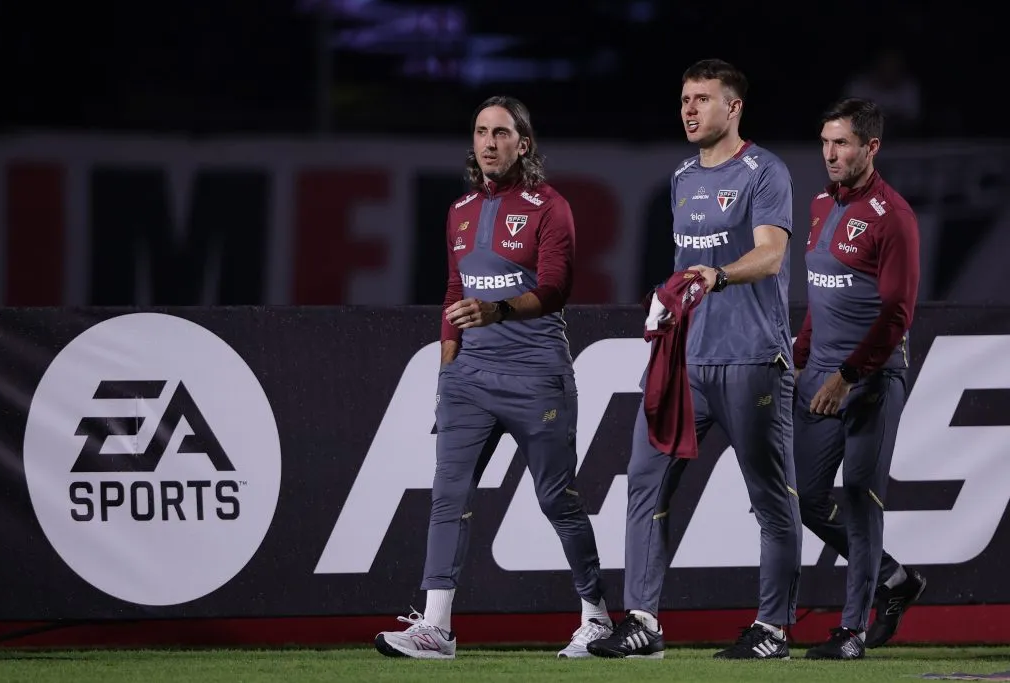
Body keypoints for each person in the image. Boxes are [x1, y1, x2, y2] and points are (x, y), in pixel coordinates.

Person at [374, 95, 612, 660]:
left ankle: (598, 615)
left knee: (557, 498)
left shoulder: (550, 207)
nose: (488, 142)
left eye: (501, 133)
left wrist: (498, 310)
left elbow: (556, 288)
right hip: (469, 379)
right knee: (447, 496)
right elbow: (455, 294)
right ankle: (437, 628)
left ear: (522, 144)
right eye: (481, 132)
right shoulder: (458, 210)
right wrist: (447, 370)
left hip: (535, 375)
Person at [588, 58, 802, 660]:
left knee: (770, 498)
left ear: (733, 108)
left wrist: (719, 275)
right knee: (644, 485)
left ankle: (773, 629)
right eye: (684, 98)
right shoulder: (681, 176)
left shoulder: (766, 172)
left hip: (752, 359)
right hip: (684, 364)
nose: (688, 108)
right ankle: (643, 622)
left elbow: (770, 257)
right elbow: (687, 270)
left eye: (702, 98)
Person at [794, 97, 925, 660]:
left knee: (860, 495)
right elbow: (819, 297)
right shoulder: (822, 203)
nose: (830, 153)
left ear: (871, 147)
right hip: (820, 373)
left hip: (870, 376)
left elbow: (897, 314)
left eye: (842, 143)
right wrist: (800, 355)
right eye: (825, 142)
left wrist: (847, 376)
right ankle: (895, 578)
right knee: (808, 500)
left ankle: (851, 631)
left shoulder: (895, 216)